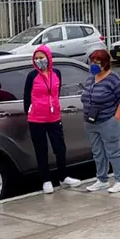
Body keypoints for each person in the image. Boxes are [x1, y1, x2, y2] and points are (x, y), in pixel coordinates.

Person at [23, 46, 80, 194]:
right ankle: (46, 180)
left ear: (48, 57)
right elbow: (27, 98)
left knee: (60, 148)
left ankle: (63, 176)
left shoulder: (56, 73)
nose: (39, 60)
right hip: (37, 119)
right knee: (41, 150)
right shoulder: (31, 76)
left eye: (41, 57)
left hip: (54, 117)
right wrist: (31, 111)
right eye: (36, 58)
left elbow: (56, 92)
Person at [81, 50, 120, 193]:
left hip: (109, 120)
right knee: (98, 152)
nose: (93, 65)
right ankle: (102, 179)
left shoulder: (113, 79)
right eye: (92, 62)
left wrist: (116, 119)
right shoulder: (90, 78)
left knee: (114, 151)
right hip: (92, 121)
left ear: (105, 64)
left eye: (97, 63)